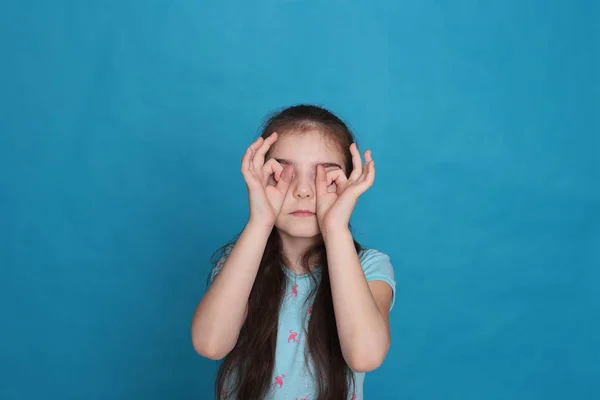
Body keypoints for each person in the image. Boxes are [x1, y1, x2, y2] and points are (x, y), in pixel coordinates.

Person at [191, 104, 396, 400]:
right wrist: (260, 221)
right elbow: (210, 344)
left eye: (324, 176)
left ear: (349, 184)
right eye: (283, 173)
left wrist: (335, 228)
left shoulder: (370, 267)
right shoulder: (240, 260)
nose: (303, 190)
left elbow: (365, 356)